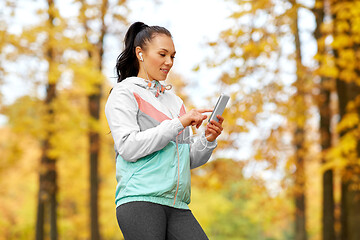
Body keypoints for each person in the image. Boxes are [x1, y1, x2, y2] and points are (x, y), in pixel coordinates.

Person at [105, 21, 224, 240]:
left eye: (172, 56)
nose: (169, 62)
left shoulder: (174, 101)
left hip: (177, 204)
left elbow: (185, 158)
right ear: (140, 53)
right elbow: (128, 147)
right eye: (162, 54)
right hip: (140, 200)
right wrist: (179, 123)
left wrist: (207, 140)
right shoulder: (124, 93)